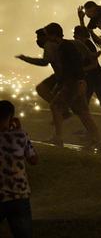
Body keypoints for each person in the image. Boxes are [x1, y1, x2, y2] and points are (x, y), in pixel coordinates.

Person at [43, 23, 101, 148]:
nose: (46, 38)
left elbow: (75, 65)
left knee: (55, 106)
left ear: (54, 35)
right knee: (83, 112)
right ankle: (98, 140)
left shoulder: (64, 47)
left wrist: (79, 81)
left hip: (73, 83)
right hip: (78, 82)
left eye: (48, 35)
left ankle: (58, 138)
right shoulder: (69, 44)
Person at [0, 100, 38, 238]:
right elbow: (33, 160)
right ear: (11, 117)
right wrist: (19, 130)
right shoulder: (20, 135)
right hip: (19, 195)